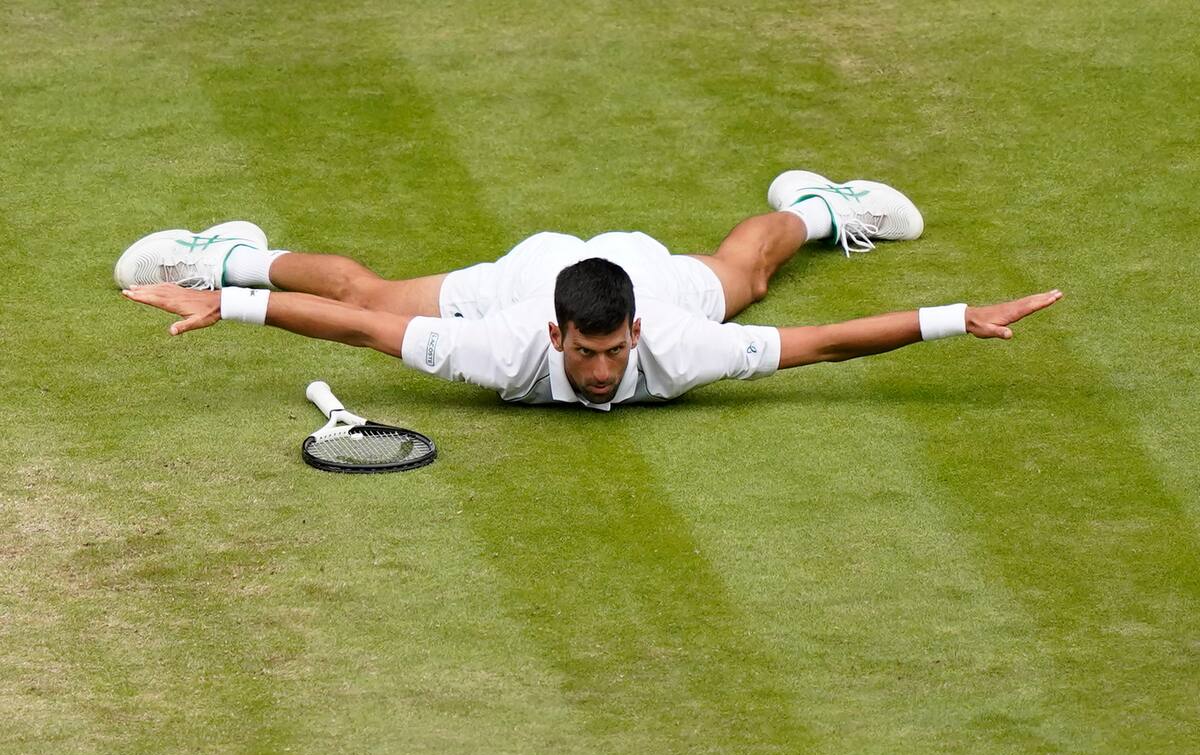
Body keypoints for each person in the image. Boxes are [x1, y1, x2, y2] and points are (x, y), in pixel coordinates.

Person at [117, 169, 1061, 410]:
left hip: (646, 270)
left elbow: (824, 343)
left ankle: (818, 204)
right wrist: (231, 307)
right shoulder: (502, 341)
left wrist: (954, 320)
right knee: (371, 291)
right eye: (589, 352)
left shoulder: (680, 345)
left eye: (614, 352)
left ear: (636, 332)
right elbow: (355, 330)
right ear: (560, 337)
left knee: (754, 267)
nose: (604, 370)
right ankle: (229, 256)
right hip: (529, 272)